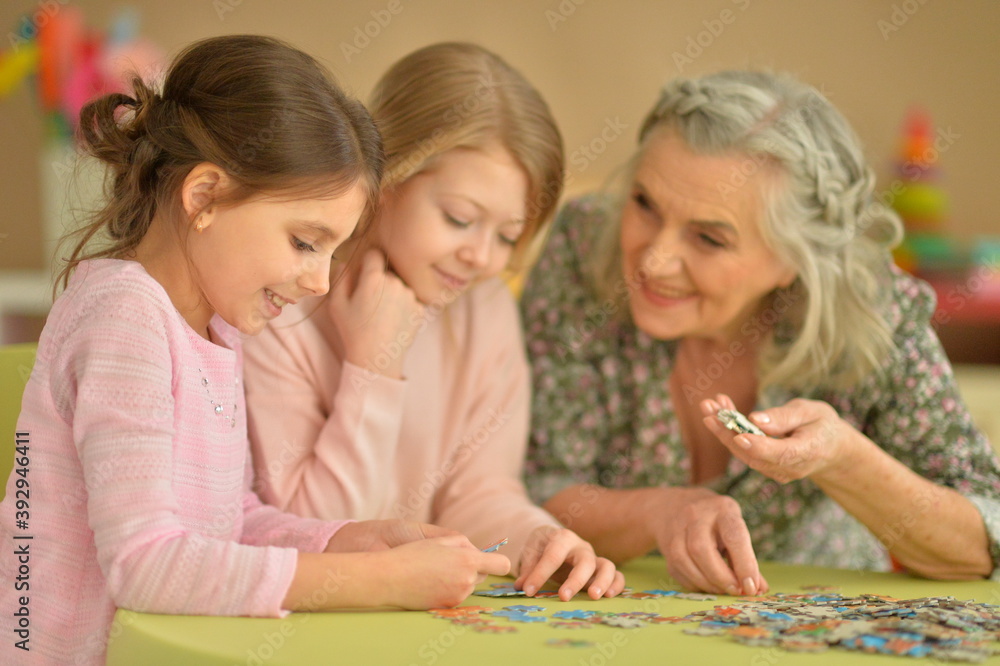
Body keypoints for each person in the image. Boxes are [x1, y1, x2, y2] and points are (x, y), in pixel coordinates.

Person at [0, 35, 509, 666]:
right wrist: (380, 583)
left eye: (332, 251)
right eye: (304, 241)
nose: (321, 280)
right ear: (205, 196)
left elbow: (230, 520)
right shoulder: (124, 318)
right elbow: (145, 565)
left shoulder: (216, 329)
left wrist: (351, 542)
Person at [520, 70, 1000, 597]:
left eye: (709, 238)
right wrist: (661, 511)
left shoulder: (874, 311)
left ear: (794, 260)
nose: (654, 260)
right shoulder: (584, 245)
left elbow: (982, 545)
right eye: (644, 203)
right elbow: (531, 488)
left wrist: (841, 457)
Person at [243, 42, 624, 601]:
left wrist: (535, 539)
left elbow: (477, 493)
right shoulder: (279, 305)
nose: (483, 257)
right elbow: (314, 534)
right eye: (460, 219)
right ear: (385, 178)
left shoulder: (484, 308)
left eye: (508, 236)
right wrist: (374, 368)